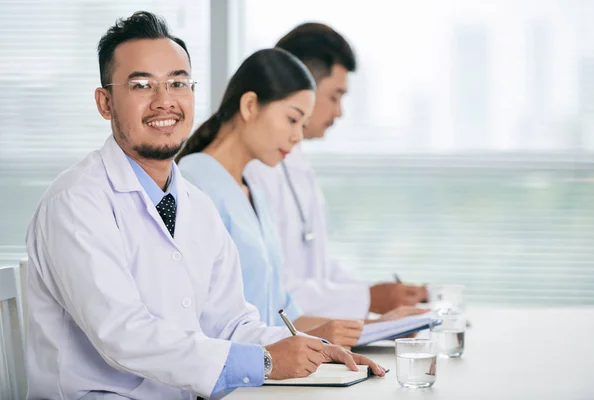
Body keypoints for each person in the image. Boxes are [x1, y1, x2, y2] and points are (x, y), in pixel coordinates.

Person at [25, 12, 384, 400]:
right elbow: (124, 334)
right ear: (105, 102)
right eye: (142, 85)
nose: (164, 101)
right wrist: (263, 362)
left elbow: (230, 323)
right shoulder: (77, 202)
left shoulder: (195, 205)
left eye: (178, 83)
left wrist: (313, 350)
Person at [176, 48, 426, 350]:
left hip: (270, 372)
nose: (297, 137)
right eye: (292, 120)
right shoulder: (194, 183)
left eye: (302, 125)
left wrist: (379, 326)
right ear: (250, 105)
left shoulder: (253, 192)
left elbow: (285, 315)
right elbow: (198, 322)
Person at [244, 23, 428, 320]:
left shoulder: (296, 163)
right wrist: (368, 299)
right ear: (300, 86)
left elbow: (317, 266)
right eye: (335, 96)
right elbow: (273, 290)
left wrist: (377, 297)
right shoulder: (255, 169)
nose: (340, 112)